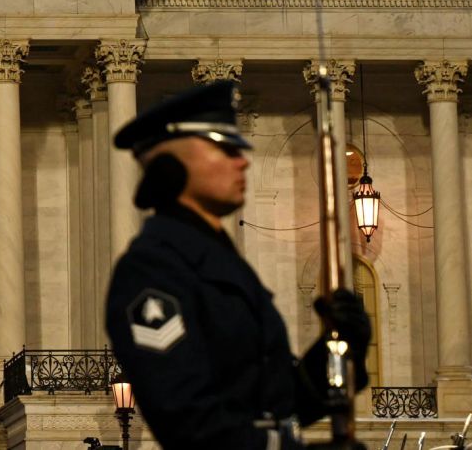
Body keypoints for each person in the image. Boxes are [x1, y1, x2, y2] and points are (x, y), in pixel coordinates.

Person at [104, 81, 372, 450]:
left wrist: (339, 349)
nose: (243, 160)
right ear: (175, 164)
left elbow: (275, 402)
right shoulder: (153, 271)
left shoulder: (222, 264)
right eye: (225, 149)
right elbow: (191, 424)